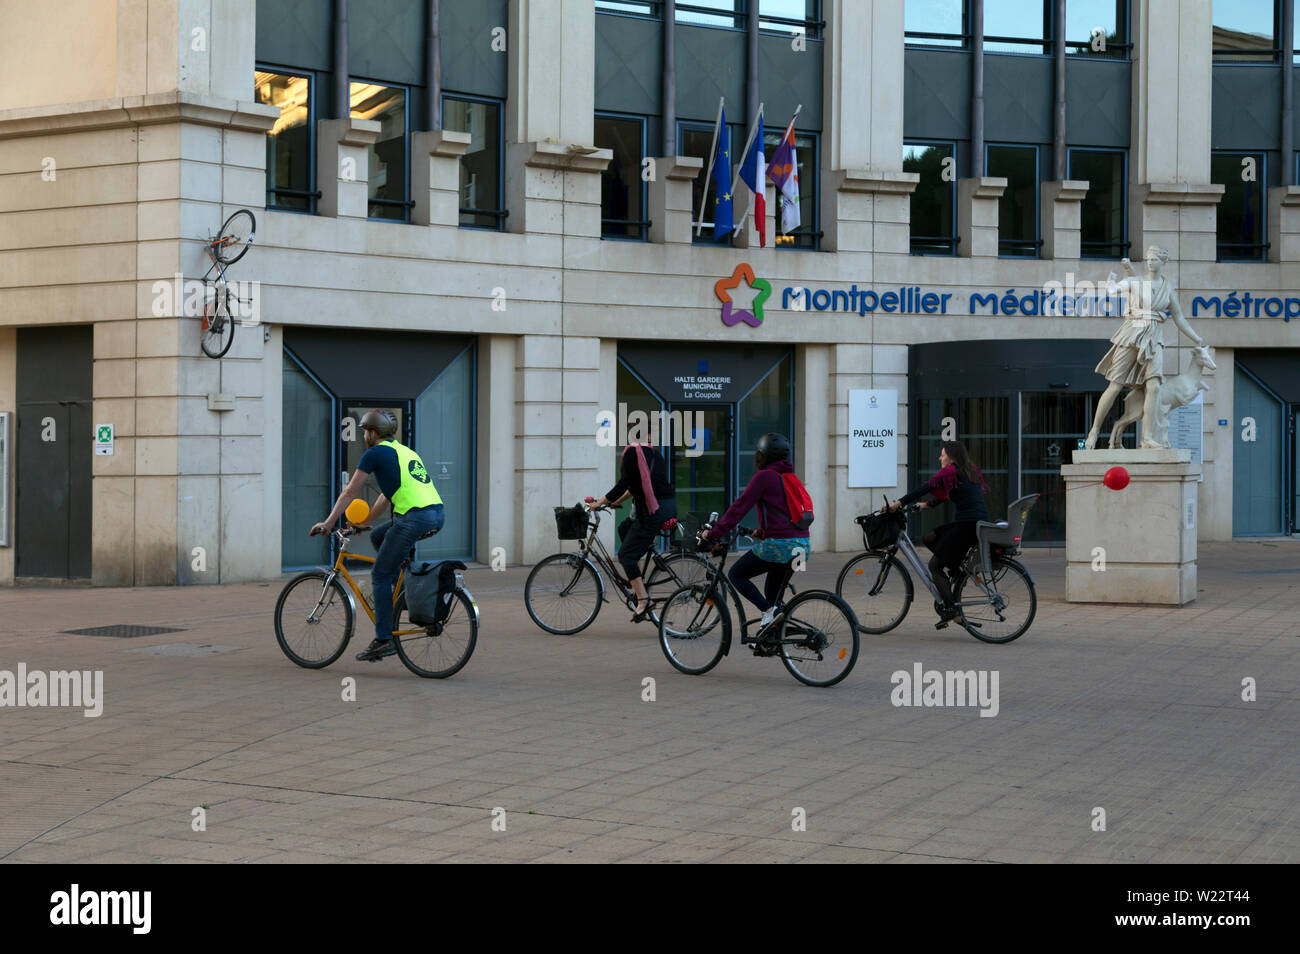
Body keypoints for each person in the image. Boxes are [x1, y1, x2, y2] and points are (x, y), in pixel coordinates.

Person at [311, 409, 444, 660]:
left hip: (413, 519)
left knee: (380, 574)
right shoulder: (405, 451)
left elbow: (350, 491)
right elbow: (387, 495)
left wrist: (328, 524)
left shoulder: (374, 453)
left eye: (364, 431)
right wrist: (365, 522)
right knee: (378, 537)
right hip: (436, 515)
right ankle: (403, 593)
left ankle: (384, 639)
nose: (363, 435)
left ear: (372, 433)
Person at [1085, 245, 1205, 450]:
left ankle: (1147, 438)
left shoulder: (1168, 289)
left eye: (1155, 259)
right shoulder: (1135, 281)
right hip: (1132, 333)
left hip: (1154, 338)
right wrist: (1111, 280)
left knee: (1155, 387)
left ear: (1163, 262)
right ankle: (1094, 431)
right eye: (1148, 259)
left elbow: (1179, 318)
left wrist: (1197, 338)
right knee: (1115, 385)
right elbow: (1112, 291)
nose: (1150, 262)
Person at [701, 433, 809, 633]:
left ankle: (770, 612)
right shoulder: (791, 477)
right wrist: (762, 532)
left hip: (781, 546)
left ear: (762, 455)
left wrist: (714, 533)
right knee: (772, 594)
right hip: (802, 549)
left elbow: (739, 508)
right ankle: (772, 636)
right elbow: (787, 514)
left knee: (736, 574)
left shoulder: (764, 476)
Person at [890, 440, 988, 620]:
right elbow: (949, 494)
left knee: (934, 566)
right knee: (929, 537)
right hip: (976, 524)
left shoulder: (950, 471)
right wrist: (927, 504)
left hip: (966, 526)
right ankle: (956, 569)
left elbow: (925, 487)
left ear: (951, 458)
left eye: (942, 455)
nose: (939, 457)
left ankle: (952, 610)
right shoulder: (970, 470)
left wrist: (898, 503)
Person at [588, 443, 676, 621]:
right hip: (667, 506)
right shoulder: (654, 454)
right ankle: (637, 580)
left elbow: (623, 484)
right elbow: (636, 486)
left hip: (653, 511)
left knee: (626, 555)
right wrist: (614, 502)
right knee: (624, 528)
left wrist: (599, 503)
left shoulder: (632, 454)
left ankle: (644, 600)